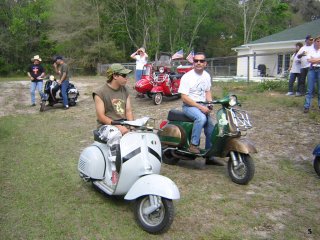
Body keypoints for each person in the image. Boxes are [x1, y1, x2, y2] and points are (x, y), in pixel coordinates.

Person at [178, 52, 214, 154]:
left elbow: (207, 91)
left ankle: (209, 154)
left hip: (202, 106)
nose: (198, 63)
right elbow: (184, 97)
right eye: (196, 61)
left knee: (211, 127)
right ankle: (193, 145)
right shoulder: (187, 76)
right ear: (193, 63)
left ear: (205, 63)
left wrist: (210, 103)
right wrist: (200, 107)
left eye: (201, 61)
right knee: (201, 118)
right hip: (189, 106)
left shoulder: (206, 76)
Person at [93, 63, 134, 135]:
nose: (126, 78)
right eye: (124, 75)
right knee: (115, 136)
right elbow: (101, 116)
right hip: (107, 125)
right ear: (115, 76)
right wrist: (118, 126)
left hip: (123, 123)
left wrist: (132, 126)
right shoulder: (100, 92)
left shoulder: (125, 90)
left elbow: (128, 111)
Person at [303, 35, 320, 113]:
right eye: (318, 41)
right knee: (309, 89)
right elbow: (309, 60)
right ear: (315, 42)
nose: (319, 43)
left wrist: (314, 59)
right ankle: (307, 106)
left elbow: (313, 60)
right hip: (312, 70)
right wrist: (318, 60)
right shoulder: (310, 50)